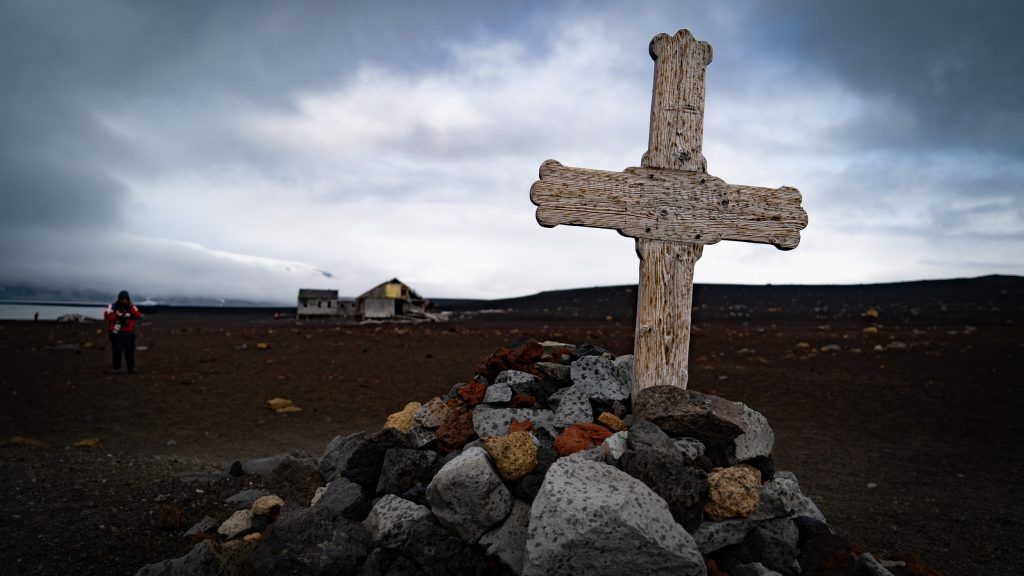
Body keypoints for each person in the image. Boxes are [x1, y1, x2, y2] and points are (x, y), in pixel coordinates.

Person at [104, 290, 143, 373]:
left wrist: (129, 311)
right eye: (122, 299)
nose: (124, 300)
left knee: (129, 352)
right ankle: (116, 368)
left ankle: (130, 368)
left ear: (128, 299)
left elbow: (138, 315)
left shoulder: (132, 306)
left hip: (129, 332)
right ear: (119, 298)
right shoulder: (112, 306)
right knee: (116, 351)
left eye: (126, 299)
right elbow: (106, 315)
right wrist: (118, 316)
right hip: (116, 331)